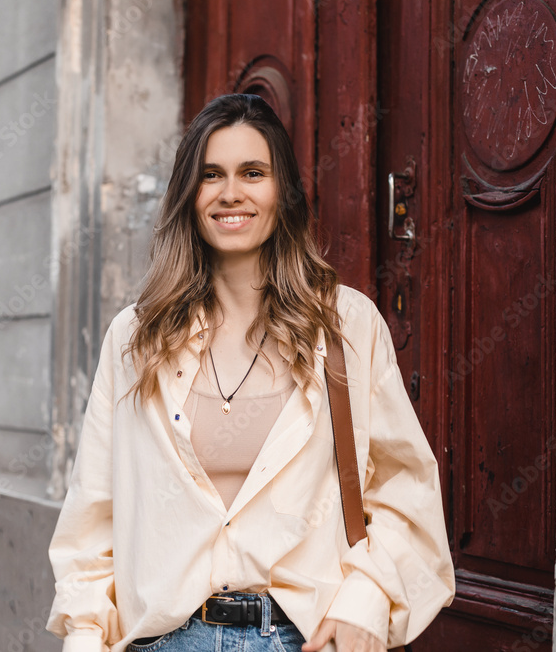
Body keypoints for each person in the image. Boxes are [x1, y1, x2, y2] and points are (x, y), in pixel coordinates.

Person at [45, 93, 454, 652]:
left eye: (252, 172)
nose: (230, 192)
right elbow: (93, 512)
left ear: (282, 192)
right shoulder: (135, 337)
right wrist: (86, 634)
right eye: (210, 174)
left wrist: (367, 600)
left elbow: (404, 485)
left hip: (304, 637)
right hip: (166, 640)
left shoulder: (345, 325)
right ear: (189, 195)